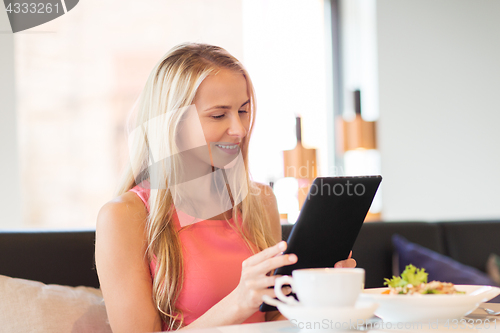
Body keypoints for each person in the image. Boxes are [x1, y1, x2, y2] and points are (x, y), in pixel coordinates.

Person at [95, 42, 356, 333]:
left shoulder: (259, 201)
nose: (240, 130)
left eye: (243, 111)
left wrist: (319, 294)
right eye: (219, 115)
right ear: (173, 123)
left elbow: (273, 322)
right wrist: (238, 303)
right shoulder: (124, 217)